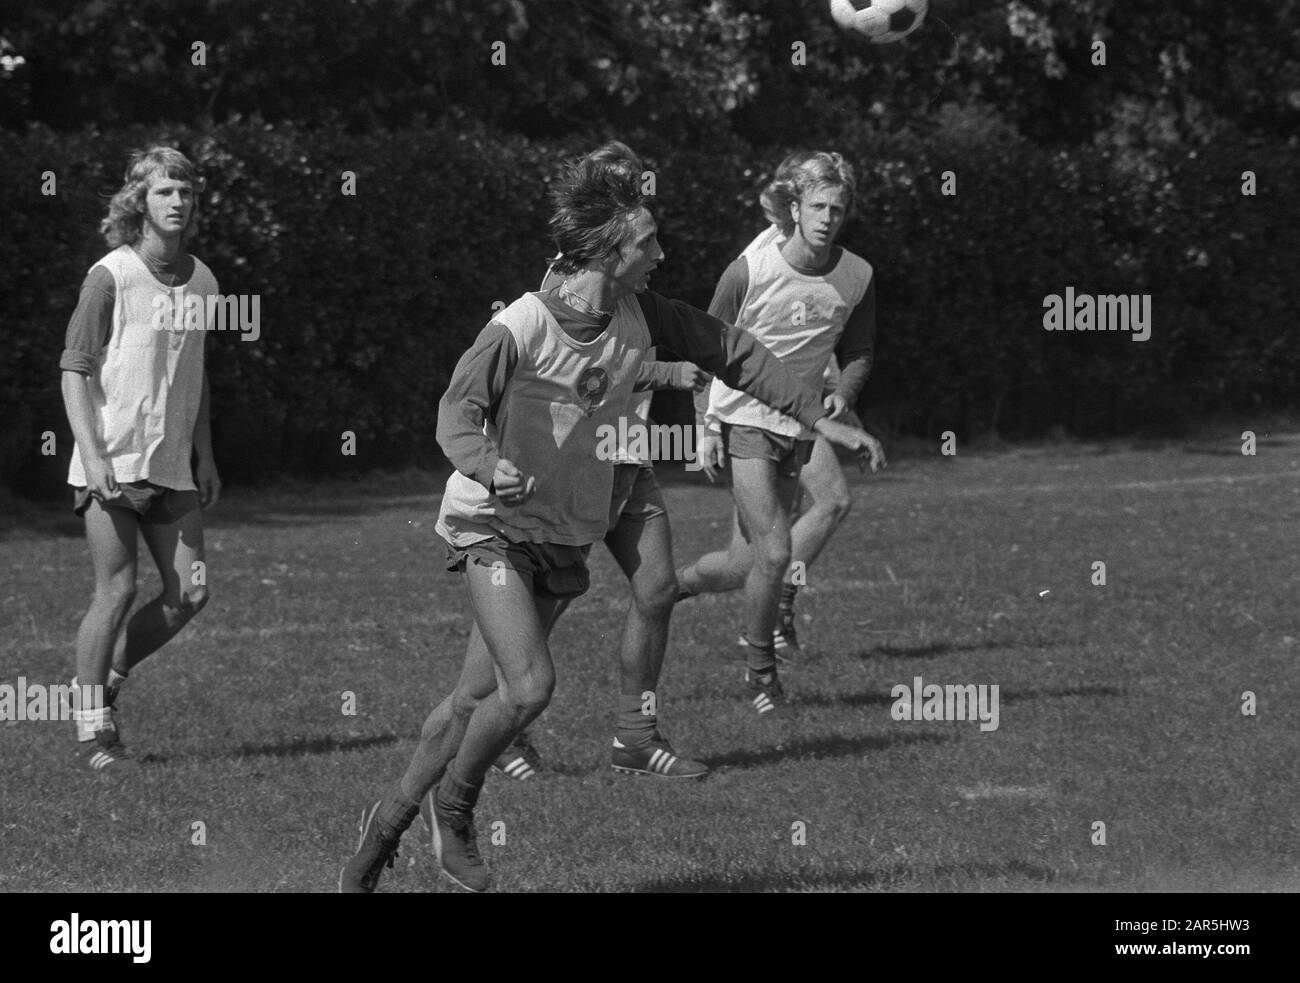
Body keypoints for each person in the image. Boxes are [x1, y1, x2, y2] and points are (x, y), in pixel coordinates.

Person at [339, 141, 879, 893]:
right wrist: (484, 460)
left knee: (472, 700)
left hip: (561, 533)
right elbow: (456, 409)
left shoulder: (643, 314)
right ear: (605, 252)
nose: (662, 251)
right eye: (648, 242)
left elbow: (735, 351)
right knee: (528, 688)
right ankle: (454, 810)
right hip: (491, 524)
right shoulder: (522, 324)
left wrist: (817, 413)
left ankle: (384, 825)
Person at [676, 150, 884, 713]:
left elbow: (859, 350)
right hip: (743, 415)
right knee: (775, 550)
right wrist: (706, 424)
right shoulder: (750, 270)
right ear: (793, 206)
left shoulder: (856, 275)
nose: (827, 218)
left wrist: (844, 394)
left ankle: (669, 589)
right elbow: (705, 344)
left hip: (802, 420)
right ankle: (761, 670)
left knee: (745, 562)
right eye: (817, 206)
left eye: (837, 209)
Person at [60, 146, 221, 774]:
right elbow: (74, 369)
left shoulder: (204, 280)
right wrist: (93, 455)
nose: (176, 202)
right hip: (111, 463)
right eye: (163, 192)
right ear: (140, 203)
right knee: (118, 588)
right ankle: (93, 733)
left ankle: (107, 682)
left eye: (184, 192)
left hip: (174, 466)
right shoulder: (111, 276)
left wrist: (204, 453)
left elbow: (196, 373)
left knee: (191, 592)